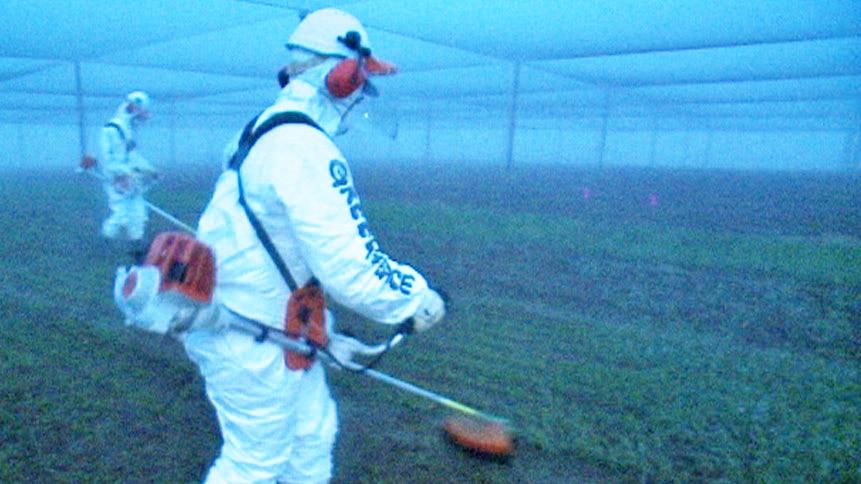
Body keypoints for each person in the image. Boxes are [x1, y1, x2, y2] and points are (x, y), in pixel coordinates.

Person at [182, 8, 447, 483]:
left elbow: (283, 254)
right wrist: (418, 299)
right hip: (246, 335)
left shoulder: (264, 130)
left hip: (269, 326)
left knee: (311, 437)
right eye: (360, 80)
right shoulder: (304, 147)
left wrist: (321, 328)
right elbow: (352, 267)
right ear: (340, 76)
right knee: (254, 462)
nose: (361, 94)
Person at [98, 90, 159, 242]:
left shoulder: (128, 130)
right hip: (117, 180)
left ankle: (136, 245)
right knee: (120, 214)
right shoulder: (111, 129)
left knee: (139, 214)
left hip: (131, 179)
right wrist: (124, 172)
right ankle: (104, 244)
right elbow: (108, 160)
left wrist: (148, 169)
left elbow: (131, 155)